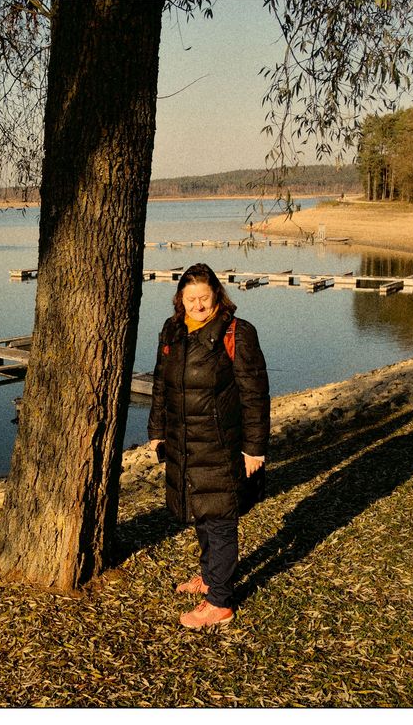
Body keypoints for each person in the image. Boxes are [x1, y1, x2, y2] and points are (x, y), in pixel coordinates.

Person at [148, 262, 270, 629]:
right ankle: (210, 575)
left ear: (218, 294)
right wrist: (157, 429)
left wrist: (255, 448)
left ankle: (220, 602)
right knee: (199, 512)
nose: (198, 306)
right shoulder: (172, 331)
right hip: (185, 443)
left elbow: (255, 395)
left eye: (204, 297)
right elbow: (160, 386)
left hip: (221, 445)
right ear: (180, 299)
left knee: (219, 518)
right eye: (190, 299)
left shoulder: (237, 332)